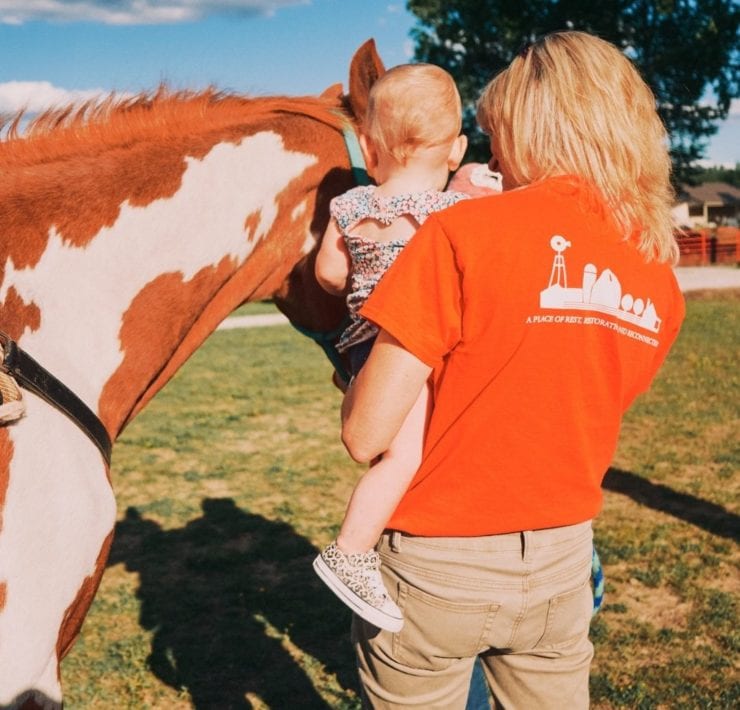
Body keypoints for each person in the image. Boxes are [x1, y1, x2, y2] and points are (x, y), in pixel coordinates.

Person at [341, 31, 685, 708]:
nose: (495, 153)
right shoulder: (658, 270)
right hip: (562, 562)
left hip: (440, 563)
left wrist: (355, 364)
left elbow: (365, 435)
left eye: (501, 132)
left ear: (536, 129)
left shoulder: (461, 234)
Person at [312, 63, 469, 632]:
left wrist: (357, 276)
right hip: (409, 349)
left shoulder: (351, 207)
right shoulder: (453, 215)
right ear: (456, 150)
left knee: (391, 447)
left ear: (371, 148)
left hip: (359, 346)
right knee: (402, 455)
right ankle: (352, 551)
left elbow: (328, 273)